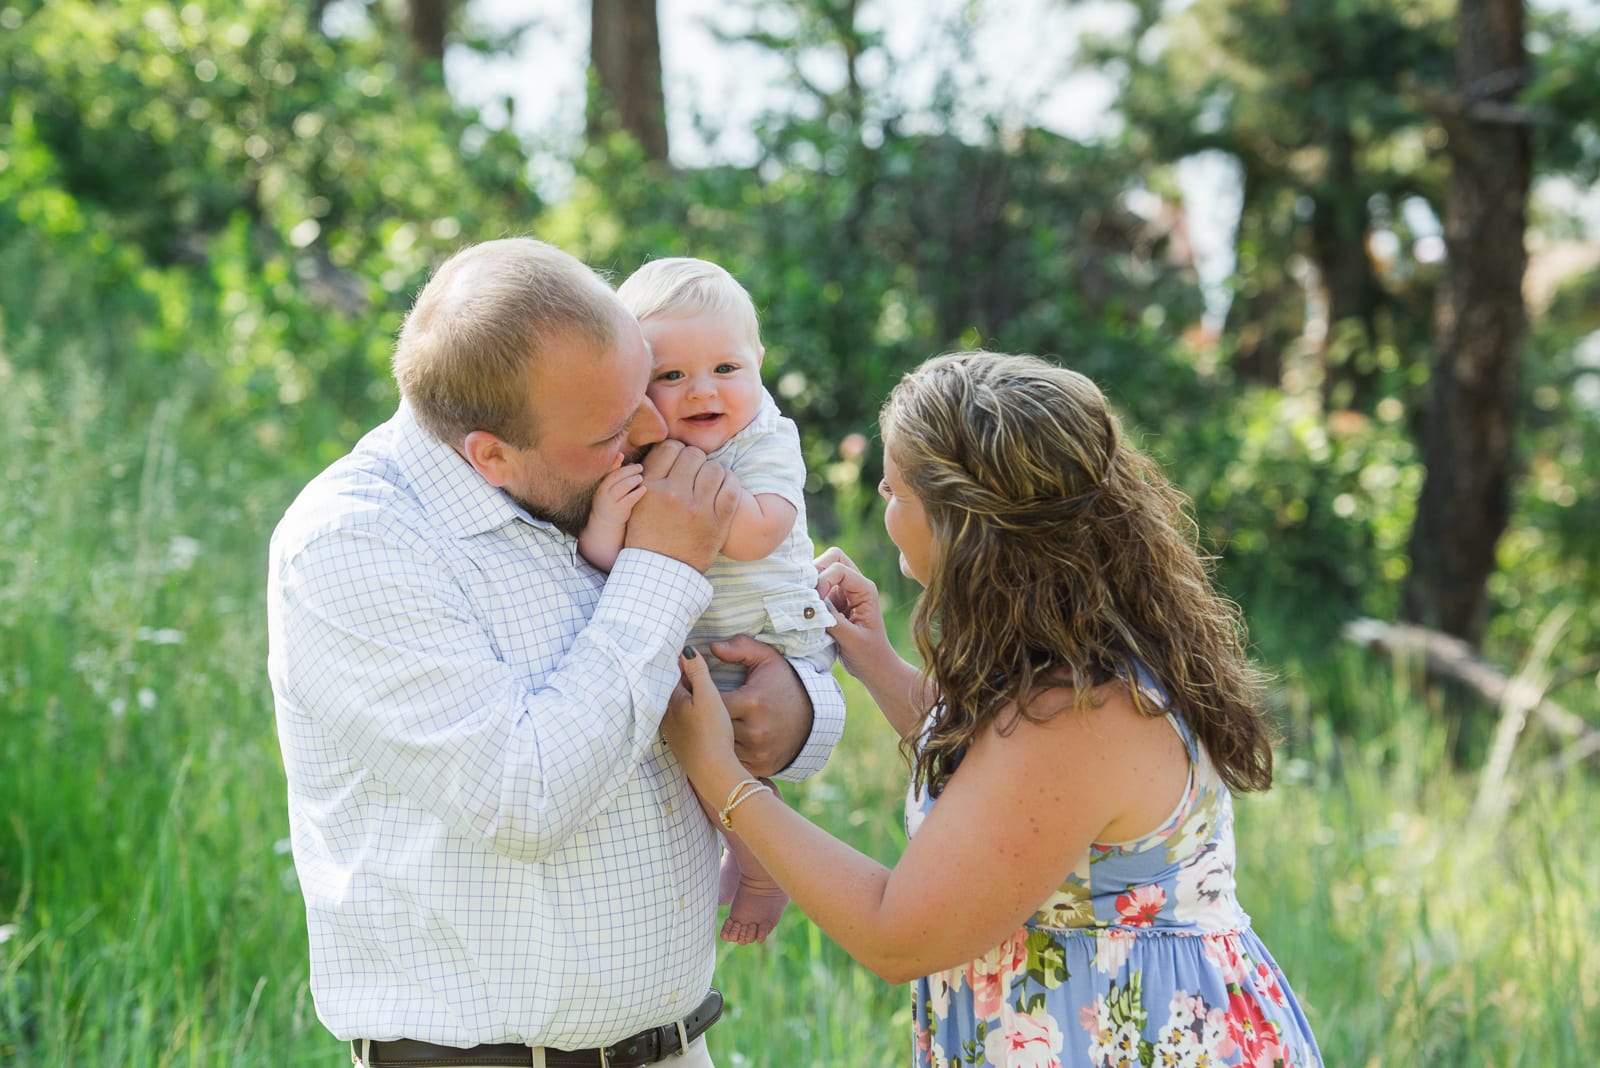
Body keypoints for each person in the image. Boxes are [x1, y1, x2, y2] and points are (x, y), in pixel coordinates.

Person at [265, 237, 846, 1067]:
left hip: (677, 1047)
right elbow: (524, 798)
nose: (655, 428)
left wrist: (800, 708)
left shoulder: (583, 460)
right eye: (617, 427)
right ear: (491, 455)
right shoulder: (356, 544)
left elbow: (735, 647)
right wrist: (661, 567)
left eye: (646, 387)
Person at [662, 351, 1324, 1067]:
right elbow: (1003, 793)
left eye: (896, 489)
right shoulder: (1073, 658)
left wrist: (724, 777)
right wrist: (876, 662)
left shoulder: (1084, 712)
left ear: (965, 521)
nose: (883, 495)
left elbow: (898, 935)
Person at [576, 256, 834, 946]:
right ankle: (753, 854)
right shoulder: (637, 453)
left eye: (726, 370)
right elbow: (604, 563)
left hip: (770, 637)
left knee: (713, 758)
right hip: (698, 640)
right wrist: (611, 512)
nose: (701, 392)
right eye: (670, 376)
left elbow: (757, 533)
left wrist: (682, 478)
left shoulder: (766, 439)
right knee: (688, 758)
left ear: (758, 362)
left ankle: (763, 865)